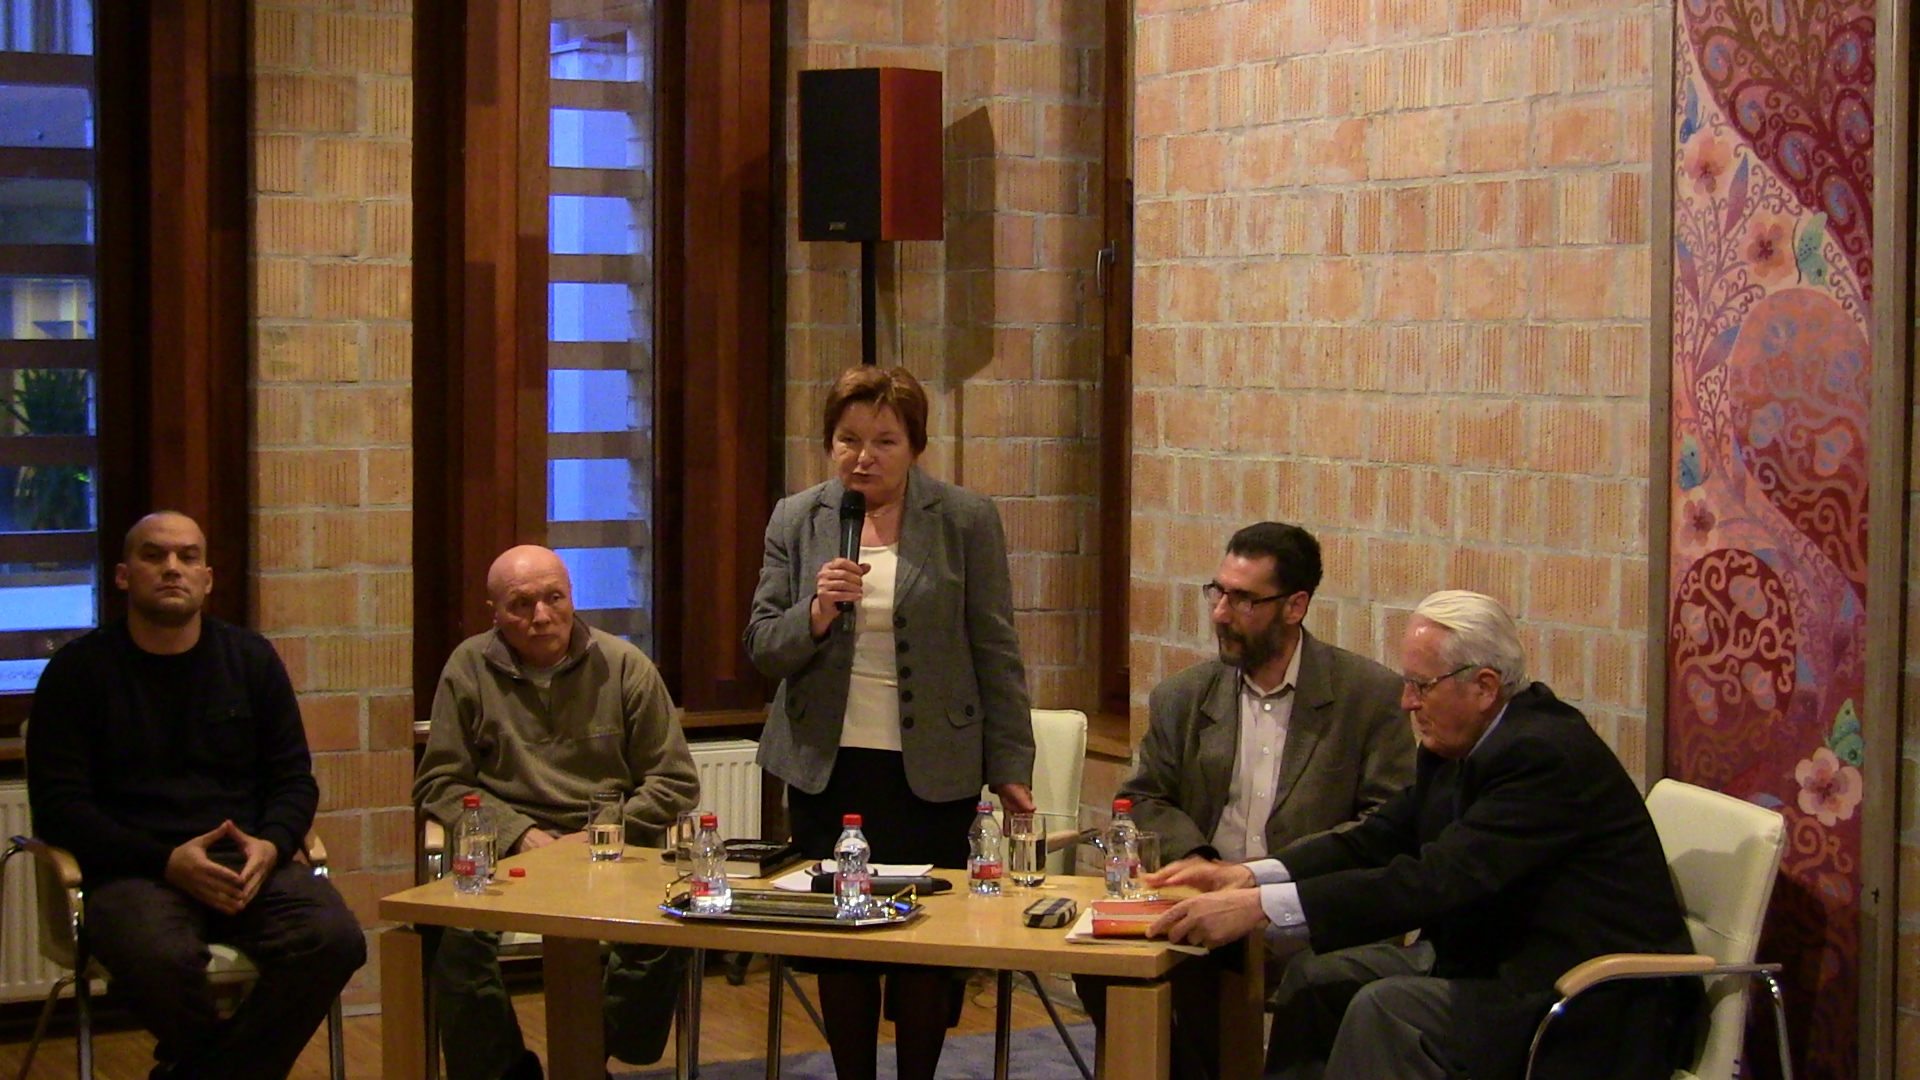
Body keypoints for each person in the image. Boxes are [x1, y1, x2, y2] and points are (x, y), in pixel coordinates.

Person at [1149, 590, 1700, 1080]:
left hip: (1583, 999)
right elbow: (1379, 837)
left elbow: (1435, 881)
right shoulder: (1460, 742)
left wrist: (1262, 909)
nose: (1406, 702)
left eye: (1421, 685)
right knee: (1317, 980)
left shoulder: (1543, 756)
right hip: (1489, 960)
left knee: (1387, 1010)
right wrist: (1249, 876)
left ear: (1484, 686)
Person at [746, 365, 1035, 1080]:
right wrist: (816, 613)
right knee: (842, 942)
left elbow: (995, 648)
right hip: (827, 767)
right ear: (828, 442)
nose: (863, 457)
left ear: (915, 447)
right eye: (848, 440)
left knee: (923, 943)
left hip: (931, 768)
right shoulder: (797, 518)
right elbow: (762, 645)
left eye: (884, 441)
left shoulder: (965, 518)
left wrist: (1011, 767)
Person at [26, 511, 366, 1079]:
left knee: (335, 939)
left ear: (207, 579)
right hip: (135, 870)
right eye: (153, 555)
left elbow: (293, 779)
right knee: (158, 957)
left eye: (187, 557)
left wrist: (272, 845)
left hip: (246, 865)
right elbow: (61, 810)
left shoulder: (250, 659)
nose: (171, 568)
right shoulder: (77, 672)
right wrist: (165, 861)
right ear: (122, 575)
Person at [1077, 522, 1413, 1078]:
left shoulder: (1368, 697)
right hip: (1201, 898)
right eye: (1218, 592)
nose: (1220, 613)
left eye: (1243, 599)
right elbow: (1143, 797)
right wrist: (1203, 862)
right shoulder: (1184, 696)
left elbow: (1388, 821)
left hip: (1305, 906)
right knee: (1099, 958)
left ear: (1295, 606)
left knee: (1252, 964)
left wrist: (1265, 886)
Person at [415, 545, 700, 1080]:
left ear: (572, 597)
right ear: (495, 613)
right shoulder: (468, 667)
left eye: (554, 598)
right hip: (505, 851)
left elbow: (675, 781)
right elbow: (440, 781)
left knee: (671, 923)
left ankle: (590, 1056)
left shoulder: (624, 665)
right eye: (521, 604)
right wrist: (520, 835)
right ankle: (507, 1073)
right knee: (452, 940)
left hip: (611, 848)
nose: (541, 616)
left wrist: (599, 835)